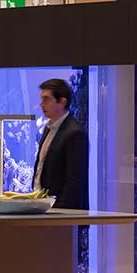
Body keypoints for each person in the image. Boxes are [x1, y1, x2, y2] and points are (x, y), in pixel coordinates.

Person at [33, 78, 88, 210]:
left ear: (62, 102)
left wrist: (58, 211)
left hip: (62, 214)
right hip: (43, 207)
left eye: (46, 99)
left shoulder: (74, 133)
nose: (41, 104)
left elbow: (74, 180)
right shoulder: (48, 128)